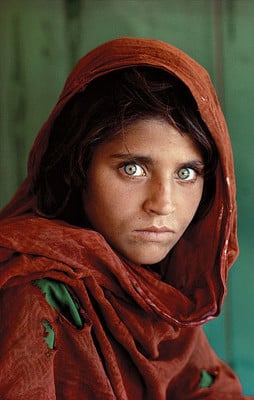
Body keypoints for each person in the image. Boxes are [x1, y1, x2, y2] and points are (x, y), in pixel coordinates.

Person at [0, 37, 252, 399]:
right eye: (132, 169)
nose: (163, 205)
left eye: (186, 174)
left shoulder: (158, 294)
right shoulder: (33, 294)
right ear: (78, 167)